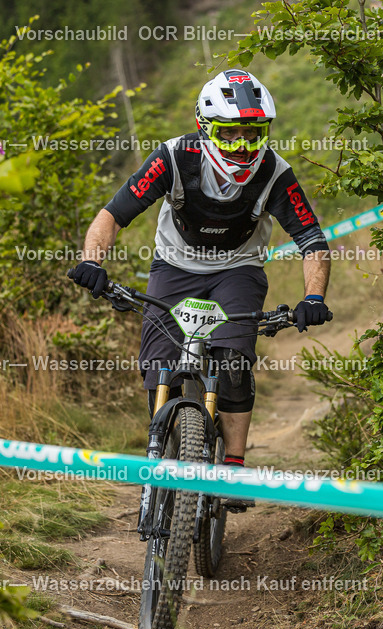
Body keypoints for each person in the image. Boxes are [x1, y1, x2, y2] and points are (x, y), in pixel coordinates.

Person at [69, 69, 331, 510]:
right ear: (207, 130)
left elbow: (313, 242)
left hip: (238, 270)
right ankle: (161, 454)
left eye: (254, 133)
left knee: (232, 363)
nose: (244, 146)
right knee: (157, 366)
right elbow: (111, 215)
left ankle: (232, 466)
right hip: (174, 267)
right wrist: (92, 261)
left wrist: (314, 298)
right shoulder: (174, 158)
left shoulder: (274, 172)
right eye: (231, 135)